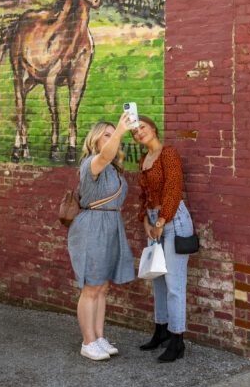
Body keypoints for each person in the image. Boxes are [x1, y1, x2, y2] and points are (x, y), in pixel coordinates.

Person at [67, 113, 136, 361]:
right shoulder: (92, 164)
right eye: (106, 135)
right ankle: (87, 342)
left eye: (113, 135)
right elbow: (106, 154)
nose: (112, 138)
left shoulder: (114, 170)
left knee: (103, 286)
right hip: (92, 226)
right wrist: (119, 130)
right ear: (96, 141)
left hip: (111, 224)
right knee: (91, 287)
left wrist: (117, 133)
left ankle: (98, 336)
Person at [133, 115, 195, 362]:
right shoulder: (143, 159)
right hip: (154, 221)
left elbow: (173, 189)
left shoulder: (168, 154)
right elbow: (143, 195)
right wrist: (146, 220)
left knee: (174, 284)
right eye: (134, 132)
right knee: (156, 277)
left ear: (153, 128)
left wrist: (161, 221)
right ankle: (161, 331)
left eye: (142, 128)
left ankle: (177, 340)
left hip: (174, 221)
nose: (139, 133)